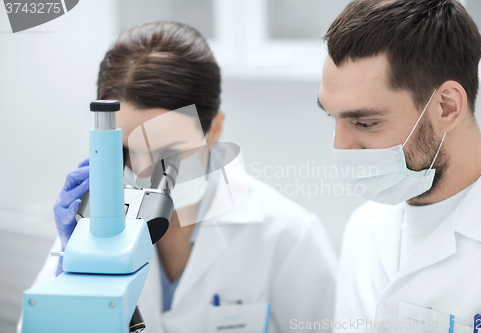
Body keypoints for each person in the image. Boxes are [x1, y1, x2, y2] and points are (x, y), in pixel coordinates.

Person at [20, 22, 337, 332]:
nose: (143, 172)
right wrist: (71, 273)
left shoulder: (286, 236)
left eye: (166, 154)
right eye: (127, 150)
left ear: (214, 130)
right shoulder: (98, 230)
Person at [317, 0, 481, 329]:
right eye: (333, 118)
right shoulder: (365, 228)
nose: (340, 148)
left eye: (366, 123)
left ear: (446, 107)